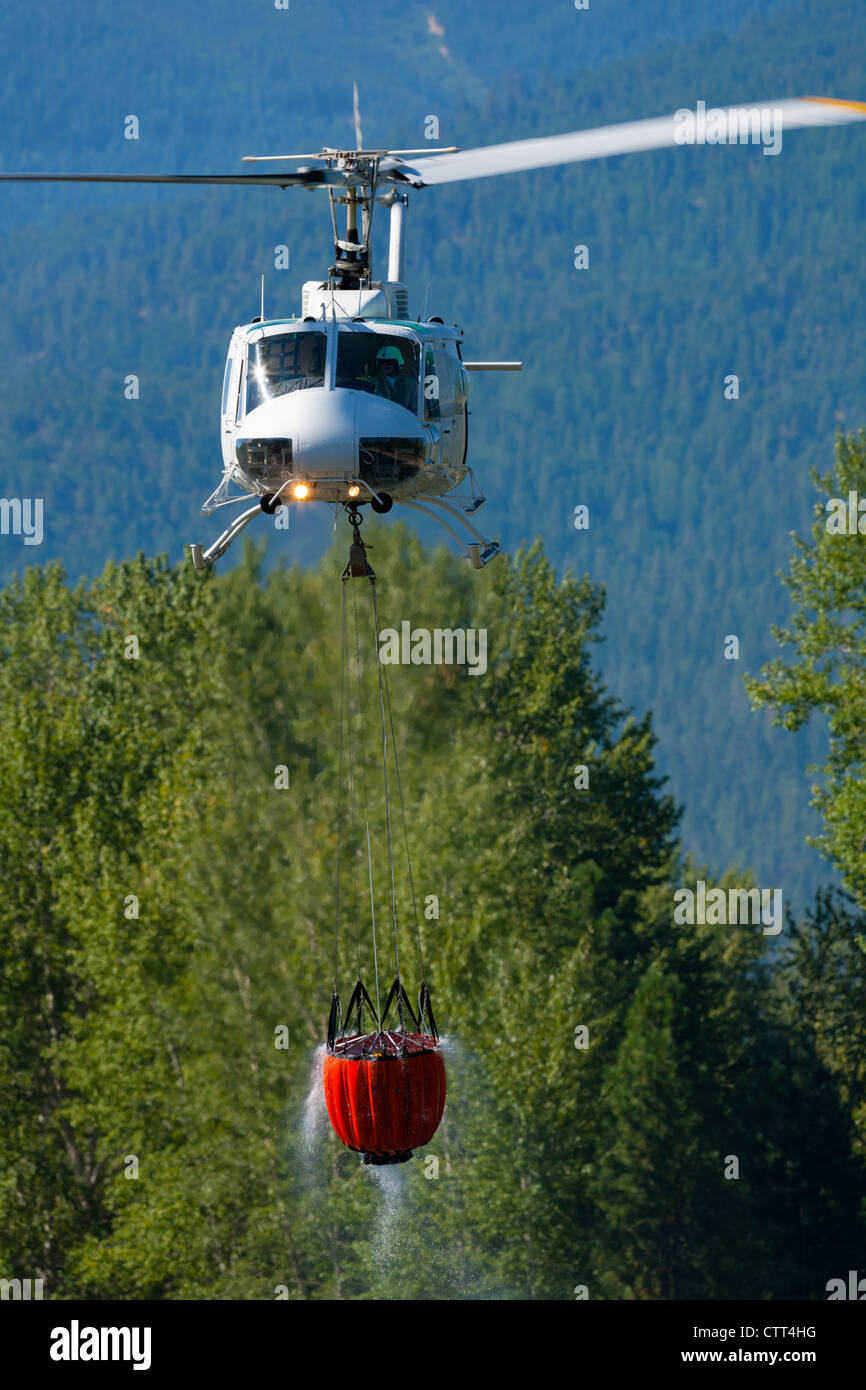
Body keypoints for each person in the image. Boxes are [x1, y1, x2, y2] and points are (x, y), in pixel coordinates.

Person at [374, 343, 415, 411]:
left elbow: (419, 411)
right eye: (382, 362)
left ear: (398, 364)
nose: (385, 365)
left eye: (390, 362)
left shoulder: (410, 384)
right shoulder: (373, 382)